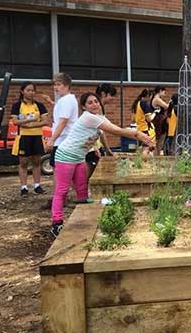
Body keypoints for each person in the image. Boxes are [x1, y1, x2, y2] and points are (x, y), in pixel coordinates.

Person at [51, 92, 153, 237]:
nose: (94, 104)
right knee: (62, 190)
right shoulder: (89, 117)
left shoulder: (99, 118)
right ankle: (56, 223)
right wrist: (139, 134)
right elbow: (117, 131)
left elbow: (102, 132)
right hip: (65, 156)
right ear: (84, 107)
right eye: (90, 103)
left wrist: (101, 149)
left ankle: (84, 220)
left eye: (96, 101)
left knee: (82, 190)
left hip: (79, 157)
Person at [10, 82, 50, 195]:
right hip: (23, 137)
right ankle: (24, 187)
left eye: (33, 90)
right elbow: (15, 121)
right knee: (23, 162)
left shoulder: (39, 105)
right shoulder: (17, 106)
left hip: (37, 136)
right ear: (22, 91)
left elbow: (46, 121)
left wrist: (30, 125)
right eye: (28, 90)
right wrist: (30, 120)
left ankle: (37, 185)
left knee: (37, 161)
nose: (31, 92)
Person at [43, 73, 78, 166]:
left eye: (58, 85)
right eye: (54, 84)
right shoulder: (65, 100)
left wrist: (52, 140)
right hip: (62, 141)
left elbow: (63, 122)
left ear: (67, 86)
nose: (55, 87)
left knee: (59, 172)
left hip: (63, 142)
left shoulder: (67, 100)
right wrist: (51, 102)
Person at [85, 83, 117, 179]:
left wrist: (107, 149)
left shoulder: (100, 108)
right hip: (90, 146)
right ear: (103, 94)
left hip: (96, 145)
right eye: (111, 95)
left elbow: (101, 131)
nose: (113, 98)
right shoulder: (96, 109)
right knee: (89, 173)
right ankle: (83, 191)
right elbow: (102, 130)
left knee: (93, 172)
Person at [132, 89, 154, 154]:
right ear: (147, 96)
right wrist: (155, 113)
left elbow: (133, 120)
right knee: (146, 149)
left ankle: (138, 162)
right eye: (151, 97)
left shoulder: (136, 103)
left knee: (140, 149)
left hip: (138, 129)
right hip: (145, 129)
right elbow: (149, 119)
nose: (151, 99)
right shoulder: (144, 103)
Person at [150, 86, 170, 154]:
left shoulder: (155, 98)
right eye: (164, 91)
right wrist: (171, 102)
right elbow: (166, 106)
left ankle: (157, 154)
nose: (165, 93)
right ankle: (156, 155)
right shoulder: (157, 99)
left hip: (159, 119)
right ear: (160, 91)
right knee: (159, 139)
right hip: (158, 120)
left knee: (159, 139)